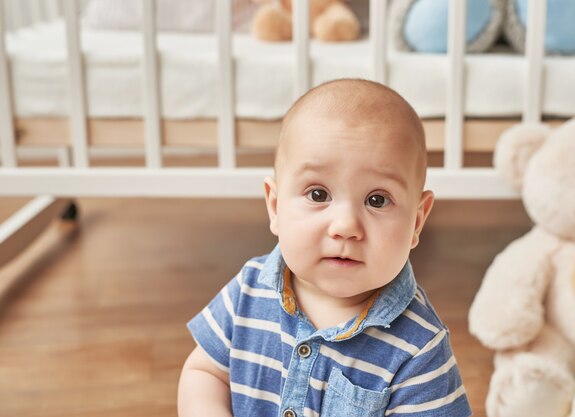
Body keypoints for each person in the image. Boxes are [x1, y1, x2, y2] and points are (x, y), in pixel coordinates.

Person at [178, 79, 472, 417]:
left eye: (377, 200)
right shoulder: (248, 289)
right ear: (275, 206)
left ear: (416, 223)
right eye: (318, 195)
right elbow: (205, 372)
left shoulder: (419, 347)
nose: (346, 225)